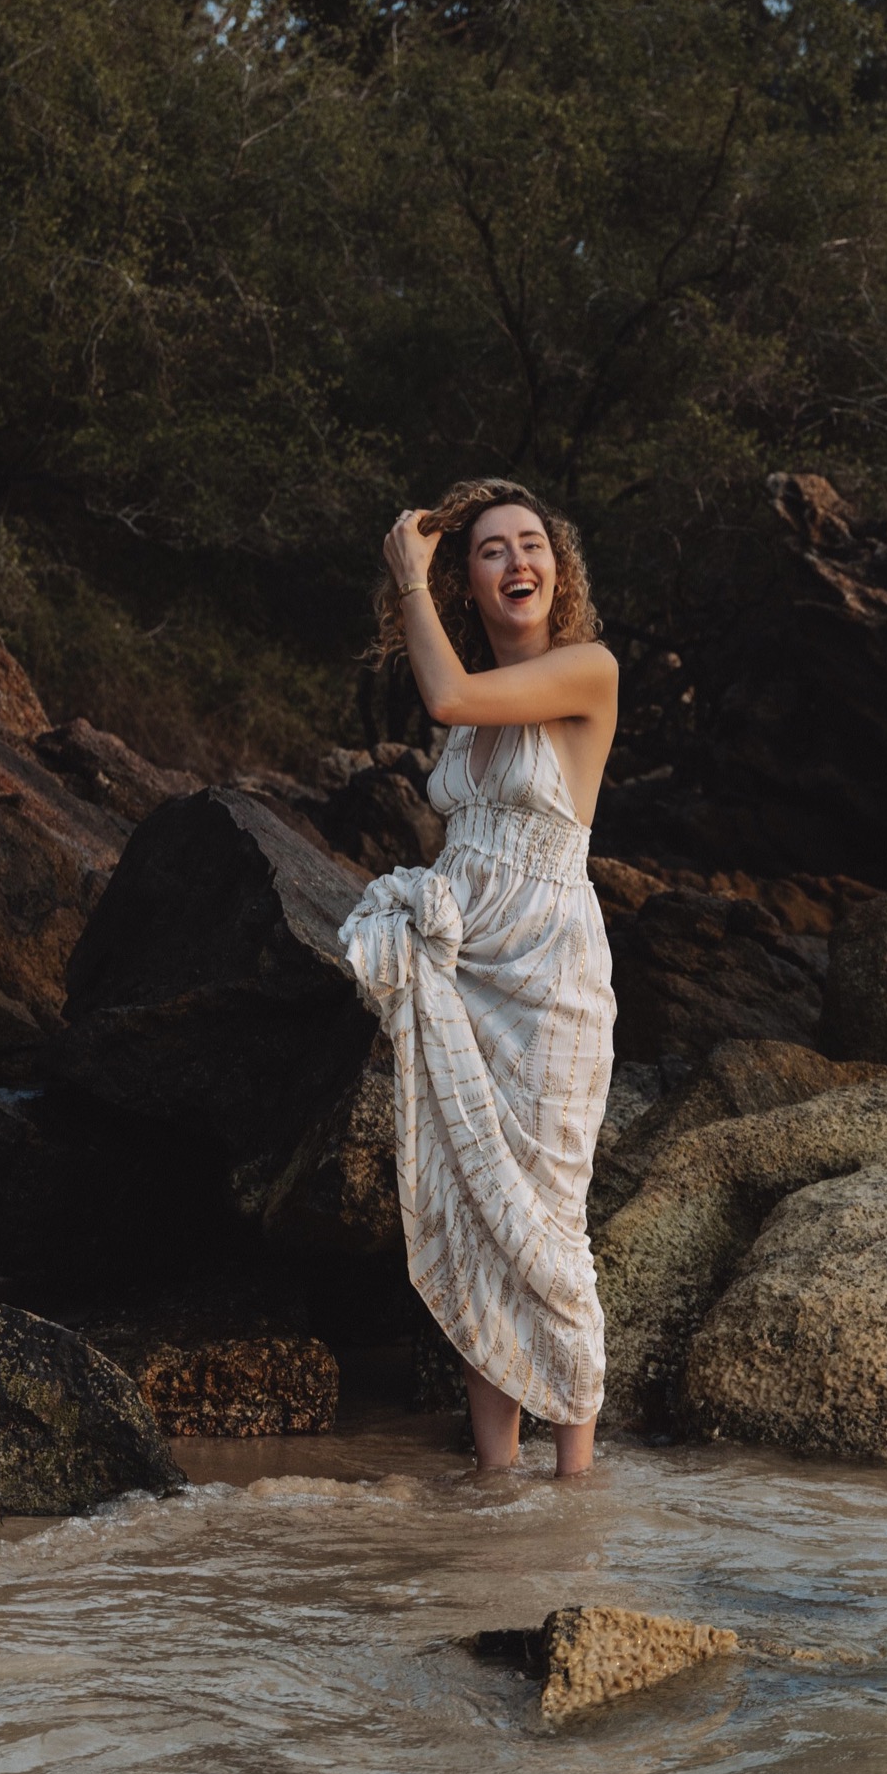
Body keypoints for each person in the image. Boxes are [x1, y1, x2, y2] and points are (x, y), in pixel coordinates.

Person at [338, 478, 618, 1478]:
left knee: (548, 1218)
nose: (517, 561)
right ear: (472, 581)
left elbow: (447, 694)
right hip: (472, 965)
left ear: (559, 570)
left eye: (532, 543)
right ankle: (497, 1479)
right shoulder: (469, 706)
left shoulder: (586, 669)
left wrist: (408, 578)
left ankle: (576, 1482)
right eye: (492, 549)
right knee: (474, 1211)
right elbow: (457, 707)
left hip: (551, 972)